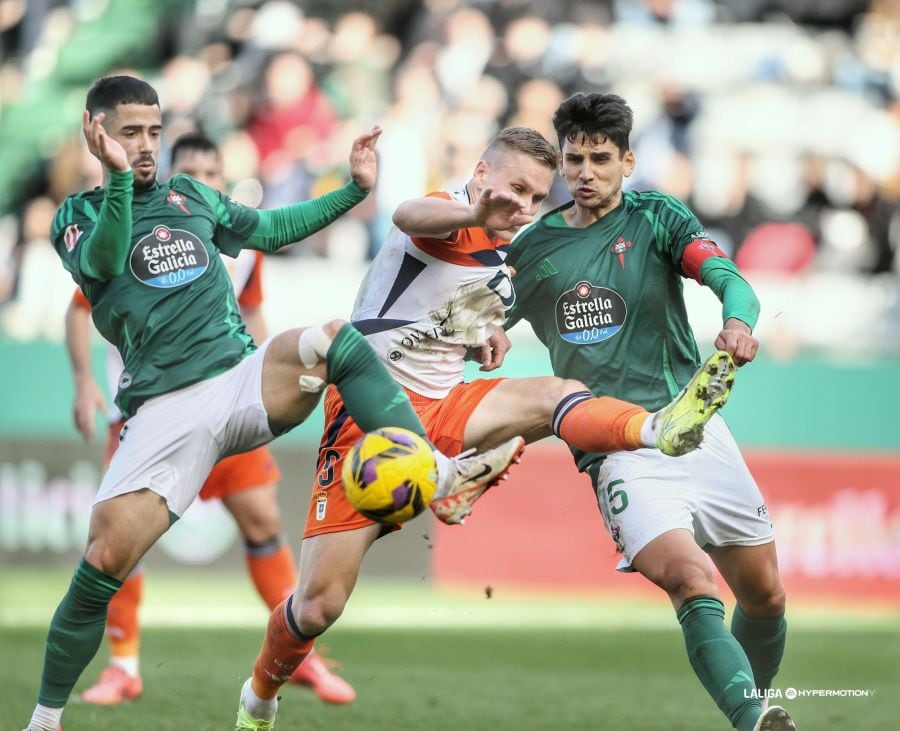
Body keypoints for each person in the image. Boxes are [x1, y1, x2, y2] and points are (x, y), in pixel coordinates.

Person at [24, 74, 526, 731]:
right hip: (163, 412)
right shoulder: (78, 216)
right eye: (129, 134)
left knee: (330, 340)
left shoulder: (192, 195)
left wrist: (353, 189)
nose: (145, 145)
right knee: (101, 566)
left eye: (152, 131)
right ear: (98, 135)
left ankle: (436, 468)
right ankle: (44, 718)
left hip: (239, 380)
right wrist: (117, 179)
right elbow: (107, 261)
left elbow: (271, 228)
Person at [233, 126, 736, 730]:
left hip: (449, 404)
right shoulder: (448, 211)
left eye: (535, 196)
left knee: (561, 395)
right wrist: (475, 210)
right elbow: (405, 213)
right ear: (480, 174)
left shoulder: (510, 252)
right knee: (317, 608)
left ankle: (660, 428)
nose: (523, 206)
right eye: (515, 188)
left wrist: (486, 333)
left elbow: (458, 311)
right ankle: (258, 702)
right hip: (372, 416)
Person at [505, 93, 794, 731]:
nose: (585, 172)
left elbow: (727, 277)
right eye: (574, 159)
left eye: (600, 158)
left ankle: (755, 704)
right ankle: (755, 721)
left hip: (694, 428)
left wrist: (739, 322)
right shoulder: (534, 248)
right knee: (693, 583)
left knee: (766, 597)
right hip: (617, 450)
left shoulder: (656, 217)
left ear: (627, 160)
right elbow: (485, 325)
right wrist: (488, 335)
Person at [64, 132, 354, 707]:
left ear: (221, 180)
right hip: (146, 411)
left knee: (263, 523)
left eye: (211, 171)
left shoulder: (240, 247)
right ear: (177, 178)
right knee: (121, 545)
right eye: (191, 170)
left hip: (227, 400)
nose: (203, 180)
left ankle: (303, 660)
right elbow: (79, 307)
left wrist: (269, 375)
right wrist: (82, 381)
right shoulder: (139, 231)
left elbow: (252, 312)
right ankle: (123, 666)